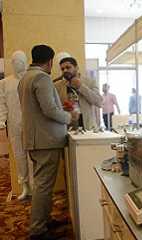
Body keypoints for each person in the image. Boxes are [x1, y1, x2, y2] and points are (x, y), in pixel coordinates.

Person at [18, 45, 79, 240]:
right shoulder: (42, 78)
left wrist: (59, 107)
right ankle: (37, 230)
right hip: (45, 140)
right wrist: (70, 117)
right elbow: (49, 111)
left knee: (42, 185)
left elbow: (39, 108)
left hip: (35, 139)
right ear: (50, 61)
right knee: (43, 186)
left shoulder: (25, 79)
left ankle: (43, 220)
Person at [0, 50, 31, 200]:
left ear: (25, 62)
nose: (17, 64)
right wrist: (1, 120)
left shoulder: (31, 79)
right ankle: (24, 185)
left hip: (32, 124)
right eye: (15, 61)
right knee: (19, 156)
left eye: (20, 61)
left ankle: (35, 185)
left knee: (33, 155)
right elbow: (1, 103)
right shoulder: (5, 83)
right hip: (14, 124)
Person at [55, 57, 103, 130]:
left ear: (76, 68)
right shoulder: (58, 86)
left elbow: (99, 102)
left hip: (87, 128)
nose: (65, 70)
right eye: (62, 69)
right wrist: (62, 108)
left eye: (68, 67)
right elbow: (53, 107)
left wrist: (81, 86)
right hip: (67, 129)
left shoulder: (89, 82)